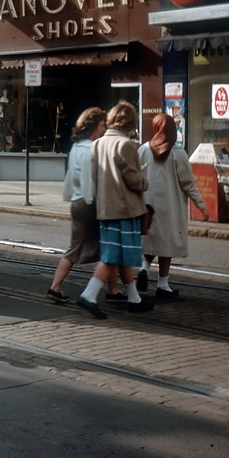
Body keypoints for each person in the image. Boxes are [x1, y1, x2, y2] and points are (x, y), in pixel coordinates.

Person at [75, 100, 154, 318]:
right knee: (113, 256)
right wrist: (144, 180)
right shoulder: (126, 145)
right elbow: (133, 180)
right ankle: (89, 295)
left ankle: (134, 298)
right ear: (129, 122)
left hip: (105, 208)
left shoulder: (97, 144)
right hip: (125, 208)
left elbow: (92, 177)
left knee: (119, 255)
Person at [47, 107, 124, 303]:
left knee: (87, 247)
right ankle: (109, 291)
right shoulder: (91, 149)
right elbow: (91, 181)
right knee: (108, 248)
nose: (103, 129)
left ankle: (112, 290)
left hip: (77, 201)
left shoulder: (77, 147)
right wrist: (96, 204)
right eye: (101, 125)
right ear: (92, 127)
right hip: (89, 203)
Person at [136, 113, 208, 297]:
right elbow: (188, 183)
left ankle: (144, 269)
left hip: (148, 205)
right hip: (170, 207)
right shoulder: (177, 153)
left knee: (151, 241)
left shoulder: (143, 150)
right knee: (166, 245)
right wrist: (201, 205)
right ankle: (163, 284)